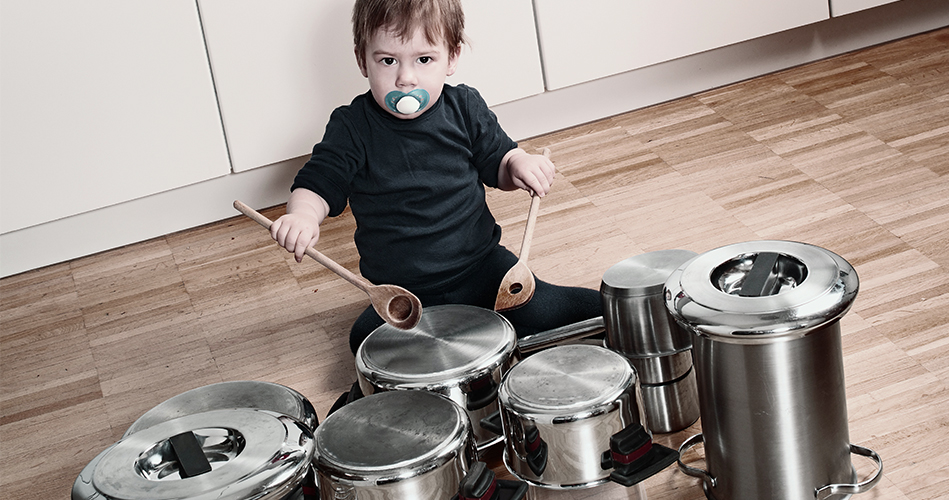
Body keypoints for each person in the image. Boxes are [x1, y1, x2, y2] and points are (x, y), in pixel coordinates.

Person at [271, 0, 601, 355]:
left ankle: (612, 312)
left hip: (484, 268)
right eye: (388, 60)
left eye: (423, 60)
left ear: (452, 57)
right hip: (404, 293)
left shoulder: (465, 108)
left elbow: (498, 162)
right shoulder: (352, 128)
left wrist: (518, 163)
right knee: (364, 342)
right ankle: (487, 339)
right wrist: (303, 215)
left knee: (547, 305)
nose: (405, 78)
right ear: (361, 60)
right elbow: (320, 182)